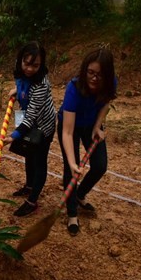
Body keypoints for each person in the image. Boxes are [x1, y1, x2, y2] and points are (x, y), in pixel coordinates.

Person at [57, 48, 117, 236]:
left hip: (91, 125)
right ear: (85, 71)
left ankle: (79, 194)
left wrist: (98, 127)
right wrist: (73, 162)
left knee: (100, 166)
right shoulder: (74, 88)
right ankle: (72, 214)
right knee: (71, 170)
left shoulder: (110, 84)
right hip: (70, 127)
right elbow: (67, 132)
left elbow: (106, 103)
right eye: (90, 73)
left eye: (99, 75)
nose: (94, 78)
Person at [3, 42, 56, 217]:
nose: (30, 69)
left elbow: (32, 115)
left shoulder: (41, 84)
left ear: (41, 65)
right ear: (20, 60)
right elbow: (22, 86)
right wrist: (17, 90)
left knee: (39, 160)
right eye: (26, 63)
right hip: (25, 117)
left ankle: (32, 201)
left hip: (42, 125)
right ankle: (29, 185)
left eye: (35, 65)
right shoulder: (19, 71)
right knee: (28, 154)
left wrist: (14, 136)